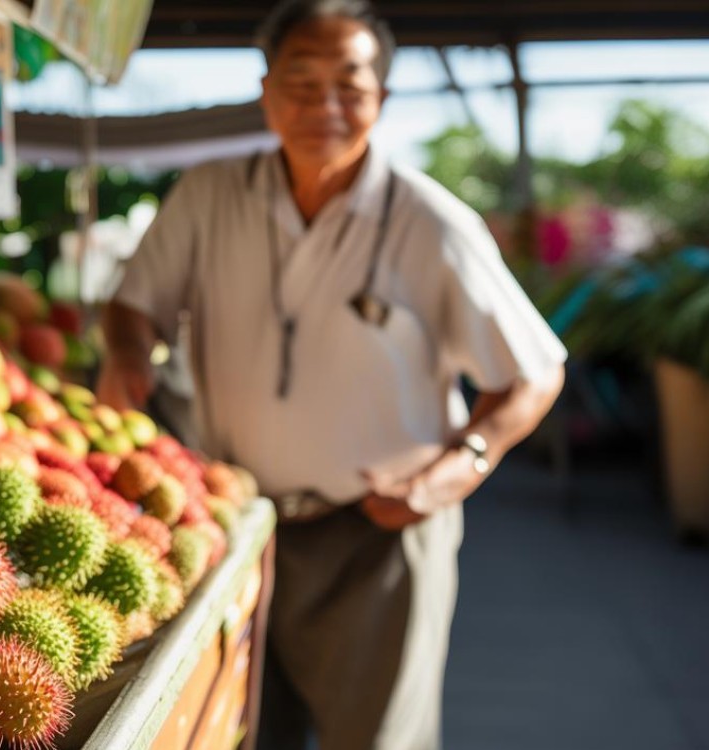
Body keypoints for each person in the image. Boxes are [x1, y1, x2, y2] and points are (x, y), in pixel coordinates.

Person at [95, 1, 567, 748]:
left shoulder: (429, 221)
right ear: (266, 91)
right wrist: (128, 354)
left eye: (350, 85)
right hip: (238, 527)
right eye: (301, 82)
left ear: (382, 97)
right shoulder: (209, 195)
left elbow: (535, 373)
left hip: (379, 536)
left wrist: (461, 468)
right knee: (247, 732)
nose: (325, 106)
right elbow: (134, 303)